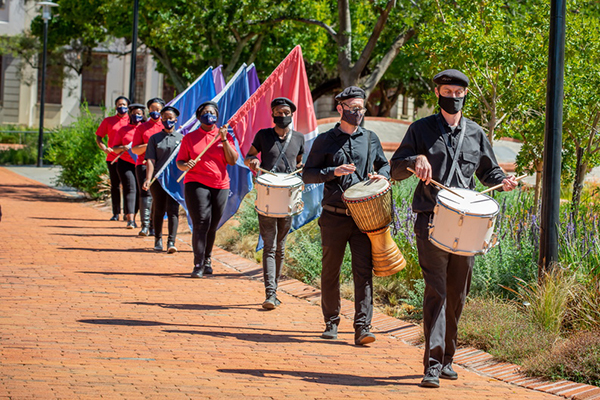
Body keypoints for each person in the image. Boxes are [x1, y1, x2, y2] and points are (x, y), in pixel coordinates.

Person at [390, 69, 518, 388]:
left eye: (459, 92)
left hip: (469, 223)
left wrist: (503, 181)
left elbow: (489, 172)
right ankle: (432, 364)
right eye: (448, 91)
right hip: (430, 219)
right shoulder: (420, 129)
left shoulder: (475, 133)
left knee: (457, 294)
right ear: (438, 93)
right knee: (437, 290)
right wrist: (414, 160)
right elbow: (395, 168)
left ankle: (448, 358)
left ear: (465, 95)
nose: (454, 97)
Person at [303, 86, 390, 346]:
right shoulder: (324, 140)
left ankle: (363, 327)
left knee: (363, 272)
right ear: (340, 108)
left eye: (361, 108)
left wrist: (381, 175)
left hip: (364, 217)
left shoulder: (371, 138)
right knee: (331, 271)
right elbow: (308, 174)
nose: (358, 113)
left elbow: (384, 164)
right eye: (353, 109)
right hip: (333, 216)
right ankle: (331, 321)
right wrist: (333, 171)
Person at [244, 97, 305, 309]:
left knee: (280, 247)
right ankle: (270, 293)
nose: (282, 116)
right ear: (272, 114)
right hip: (268, 196)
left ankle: (274, 289)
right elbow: (249, 156)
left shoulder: (299, 138)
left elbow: (299, 163)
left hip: (286, 198)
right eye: (278, 112)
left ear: (292, 114)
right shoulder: (263, 135)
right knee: (269, 246)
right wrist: (253, 161)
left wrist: (303, 166)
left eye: (286, 112)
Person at [176, 101, 238, 278]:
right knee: (201, 221)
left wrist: (224, 139)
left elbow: (232, 160)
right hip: (196, 182)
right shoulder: (189, 138)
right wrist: (186, 165)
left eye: (212, 112)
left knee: (212, 224)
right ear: (198, 117)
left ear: (217, 116)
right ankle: (198, 264)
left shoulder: (224, 136)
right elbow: (180, 162)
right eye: (205, 112)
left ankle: (208, 258)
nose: (209, 115)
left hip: (220, 185)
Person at [142, 106, 182, 253]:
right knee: (159, 208)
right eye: (164, 118)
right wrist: (148, 178)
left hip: (174, 180)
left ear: (175, 120)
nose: (167, 120)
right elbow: (151, 160)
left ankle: (171, 242)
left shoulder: (181, 138)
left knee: (173, 210)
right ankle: (158, 238)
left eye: (170, 118)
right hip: (158, 179)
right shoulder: (154, 138)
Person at [132, 97, 165, 236]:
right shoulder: (142, 127)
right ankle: (144, 226)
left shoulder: (166, 127)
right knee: (145, 193)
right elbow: (135, 149)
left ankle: (153, 226)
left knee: (158, 196)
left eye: (158, 110)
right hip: (143, 164)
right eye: (152, 110)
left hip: (161, 167)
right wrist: (150, 145)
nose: (155, 112)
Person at [95, 96, 130, 221]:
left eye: (124, 105)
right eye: (119, 105)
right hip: (113, 158)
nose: (122, 107)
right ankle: (116, 213)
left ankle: (128, 213)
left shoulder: (132, 121)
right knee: (115, 185)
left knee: (128, 185)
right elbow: (99, 137)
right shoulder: (108, 121)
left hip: (127, 158)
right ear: (115, 107)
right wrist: (104, 148)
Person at [112, 103, 145, 229]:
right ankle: (130, 219)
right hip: (125, 163)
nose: (137, 116)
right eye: (134, 113)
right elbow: (115, 149)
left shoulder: (145, 128)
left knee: (140, 190)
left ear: (143, 115)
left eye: (139, 114)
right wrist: (122, 148)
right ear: (130, 115)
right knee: (130, 188)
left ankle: (136, 215)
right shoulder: (123, 130)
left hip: (141, 163)